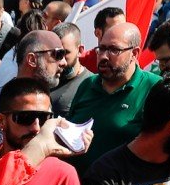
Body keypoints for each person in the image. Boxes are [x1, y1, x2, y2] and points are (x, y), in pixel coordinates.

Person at [67, 22, 162, 170]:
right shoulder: (87, 84)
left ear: (134, 53)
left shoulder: (155, 88)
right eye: (102, 48)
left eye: (113, 50)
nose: (104, 56)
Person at [0, 30, 64, 150]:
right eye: (57, 54)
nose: (63, 62)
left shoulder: (45, 97)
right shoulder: (0, 101)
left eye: (43, 117)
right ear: (32, 59)